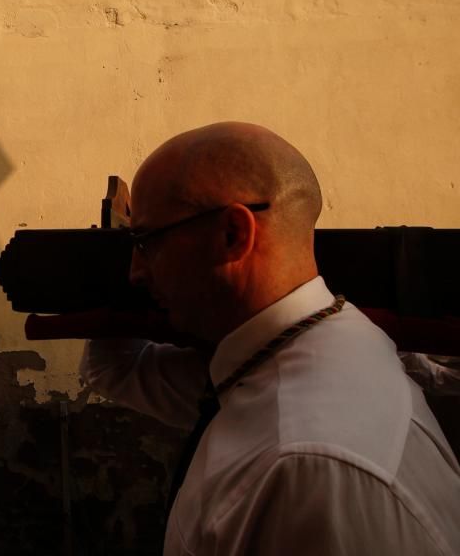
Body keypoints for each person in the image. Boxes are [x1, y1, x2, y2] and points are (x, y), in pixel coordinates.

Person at [80, 122, 460, 555]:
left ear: (233, 235)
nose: (135, 272)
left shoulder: (304, 468)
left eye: (146, 242)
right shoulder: (313, 348)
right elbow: (117, 370)